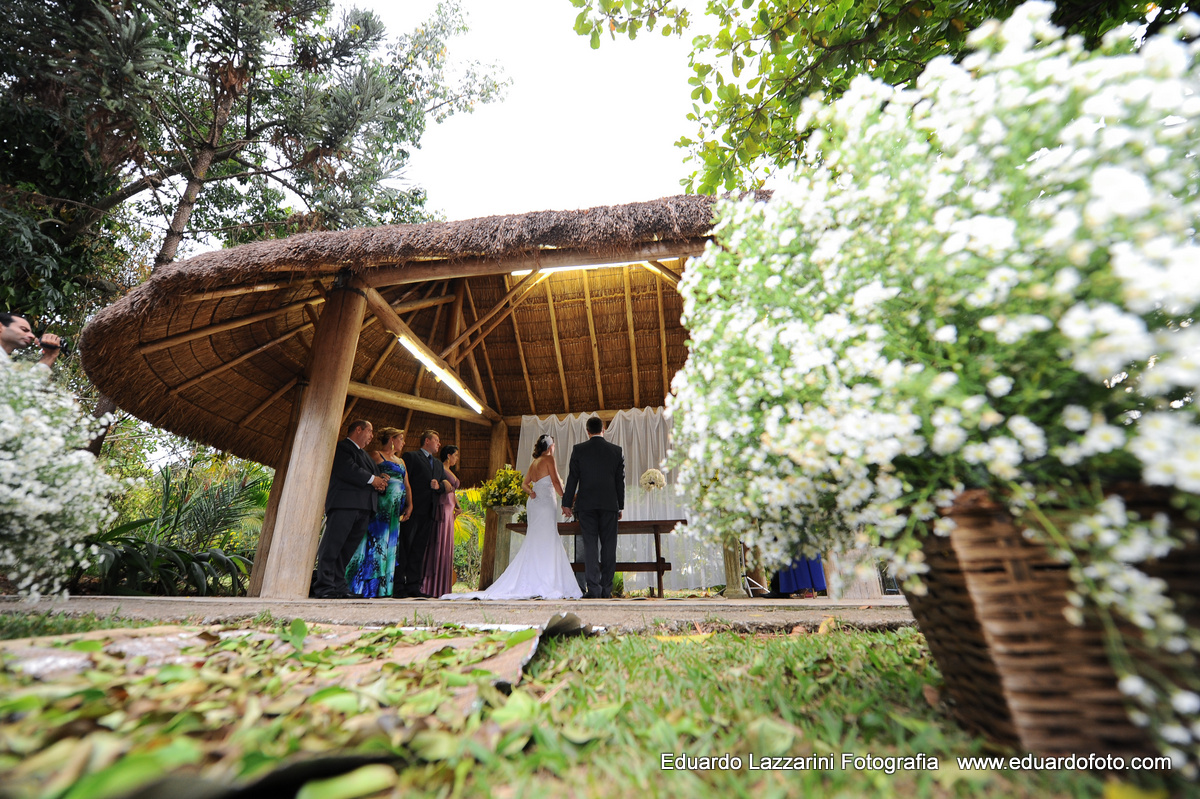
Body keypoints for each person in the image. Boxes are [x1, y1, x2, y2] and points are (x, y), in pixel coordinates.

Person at [446, 435, 581, 600]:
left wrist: (531, 492)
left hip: (535, 504)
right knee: (548, 537)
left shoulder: (534, 463)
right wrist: (565, 502)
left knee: (536, 539)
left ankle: (538, 578)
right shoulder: (548, 459)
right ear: (550, 446)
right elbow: (555, 481)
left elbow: (524, 484)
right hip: (546, 504)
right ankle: (547, 580)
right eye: (554, 445)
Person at [313, 420, 389, 599]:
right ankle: (324, 586)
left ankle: (339, 586)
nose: (372, 436)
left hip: (364, 507)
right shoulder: (342, 448)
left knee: (347, 549)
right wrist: (373, 479)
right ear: (358, 429)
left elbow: (373, 476)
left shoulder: (366, 456)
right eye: (370, 432)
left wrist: (381, 481)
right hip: (344, 504)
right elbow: (348, 469)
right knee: (332, 545)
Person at [562, 416, 625, 598]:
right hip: (609, 505)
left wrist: (566, 504)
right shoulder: (616, 451)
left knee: (590, 547)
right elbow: (619, 482)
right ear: (603, 429)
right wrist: (619, 506)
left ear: (587, 431)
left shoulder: (578, 450)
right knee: (609, 547)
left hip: (586, 506)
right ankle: (606, 590)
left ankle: (594, 590)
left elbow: (572, 478)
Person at [346, 427, 412, 598]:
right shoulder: (376, 455)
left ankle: (383, 588)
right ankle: (365, 586)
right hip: (380, 508)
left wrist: (410, 504)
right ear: (391, 439)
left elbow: (407, 484)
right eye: (401, 439)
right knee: (376, 543)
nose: (403, 443)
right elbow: (366, 474)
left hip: (395, 511)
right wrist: (379, 474)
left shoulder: (401, 461)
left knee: (390, 545)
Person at [395, 429, 446, 598]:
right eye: (436, 440)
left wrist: (439, 487)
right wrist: (407, 505)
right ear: (426, 441)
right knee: (404, 547)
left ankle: (413, 585)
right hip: (413, 509)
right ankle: (398, 585)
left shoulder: (438, 464)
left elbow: (444, 484)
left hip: (429, 511)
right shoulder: (411, 457)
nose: (439, 444)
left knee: (418, 550)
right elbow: (404, 482)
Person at [420, 445, 461, 598]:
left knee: (446, 545)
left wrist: (458, 505)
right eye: (455, 455)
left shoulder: (450, 471)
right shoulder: (440, 468)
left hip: (450, 508)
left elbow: (453, 490)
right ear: (448, 456)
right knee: (439, 542)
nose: (456, 458)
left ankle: (443, 585)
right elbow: (443, 486)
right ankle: (431, 584)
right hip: (442, 506)